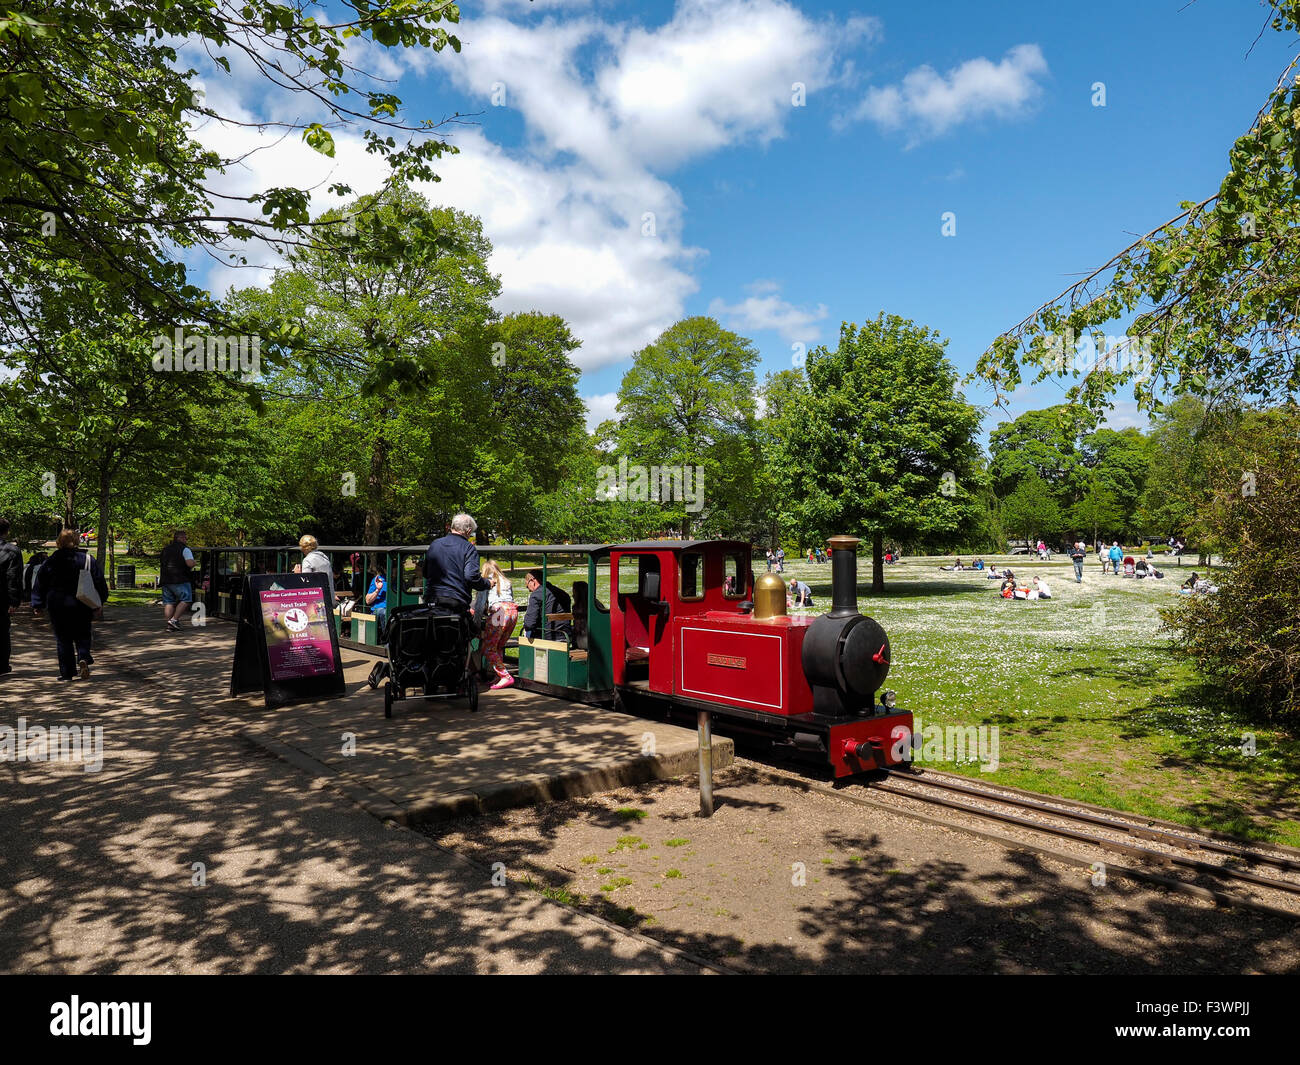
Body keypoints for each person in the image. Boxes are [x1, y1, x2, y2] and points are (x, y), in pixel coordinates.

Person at [31, 530, 109, 681]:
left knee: (63, 638)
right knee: (83, 633)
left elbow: (40, 583)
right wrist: (100, 602)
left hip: (58, 603)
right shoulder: (87, 559)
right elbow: (99, 581)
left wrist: (37, 604)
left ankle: (67, 672)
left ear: (59, 541)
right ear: (77, 541)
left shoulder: (51, 561)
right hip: (82, 602)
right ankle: (84, 657)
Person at [423, 513, 490, 617]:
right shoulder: (468, 548)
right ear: (468, 531)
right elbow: (471, 577)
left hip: (432, 601)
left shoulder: (435, 544)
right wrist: (487, 583)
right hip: (455, 604)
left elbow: (426, 572)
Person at [478, 560, 518, 690]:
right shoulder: (506, 580)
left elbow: (480, 604)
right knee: (499, 646)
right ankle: (498, 676)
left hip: (499, 613)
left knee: (488, 648)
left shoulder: (486, 582)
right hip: (512, 612)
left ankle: (505, 675)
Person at [159, 529, 197, 631]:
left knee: (168, 602)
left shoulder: (165, 549)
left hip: (166, 579)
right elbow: (189, 563)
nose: (186, 540)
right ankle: (174, 620)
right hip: (180, 579)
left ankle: (169, 625)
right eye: (185, 538)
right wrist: (194, 563)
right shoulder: (185, 549)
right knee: (186, 599)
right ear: (180, 538)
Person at [0, 519, 23, 676]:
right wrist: (14, 600)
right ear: (7, 531)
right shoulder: (12, 551)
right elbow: (13, 577)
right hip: (2, 598)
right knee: (2, 632)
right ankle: (2, 665)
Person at [521, 569, 571, 641]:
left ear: (532, 581)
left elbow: (529, 623)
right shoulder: (563, 593)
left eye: (527, 586)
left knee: (527, 634)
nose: (529, 590)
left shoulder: (536, 595)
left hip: (547, 637)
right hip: (566, 635)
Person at [295, 534, 335, 604]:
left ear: (303, 548)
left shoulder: (307, 560)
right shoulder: (325, 557)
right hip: (329, 598)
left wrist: (297, 575)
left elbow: (306, 584)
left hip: (317, 602)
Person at [365, 568, 387, 635]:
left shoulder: (399, 579)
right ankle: (386, 639)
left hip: (394, 607)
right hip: (379, 609)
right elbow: (368, 601)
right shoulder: (378, 580)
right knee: (383, 612)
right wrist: (378, 589)